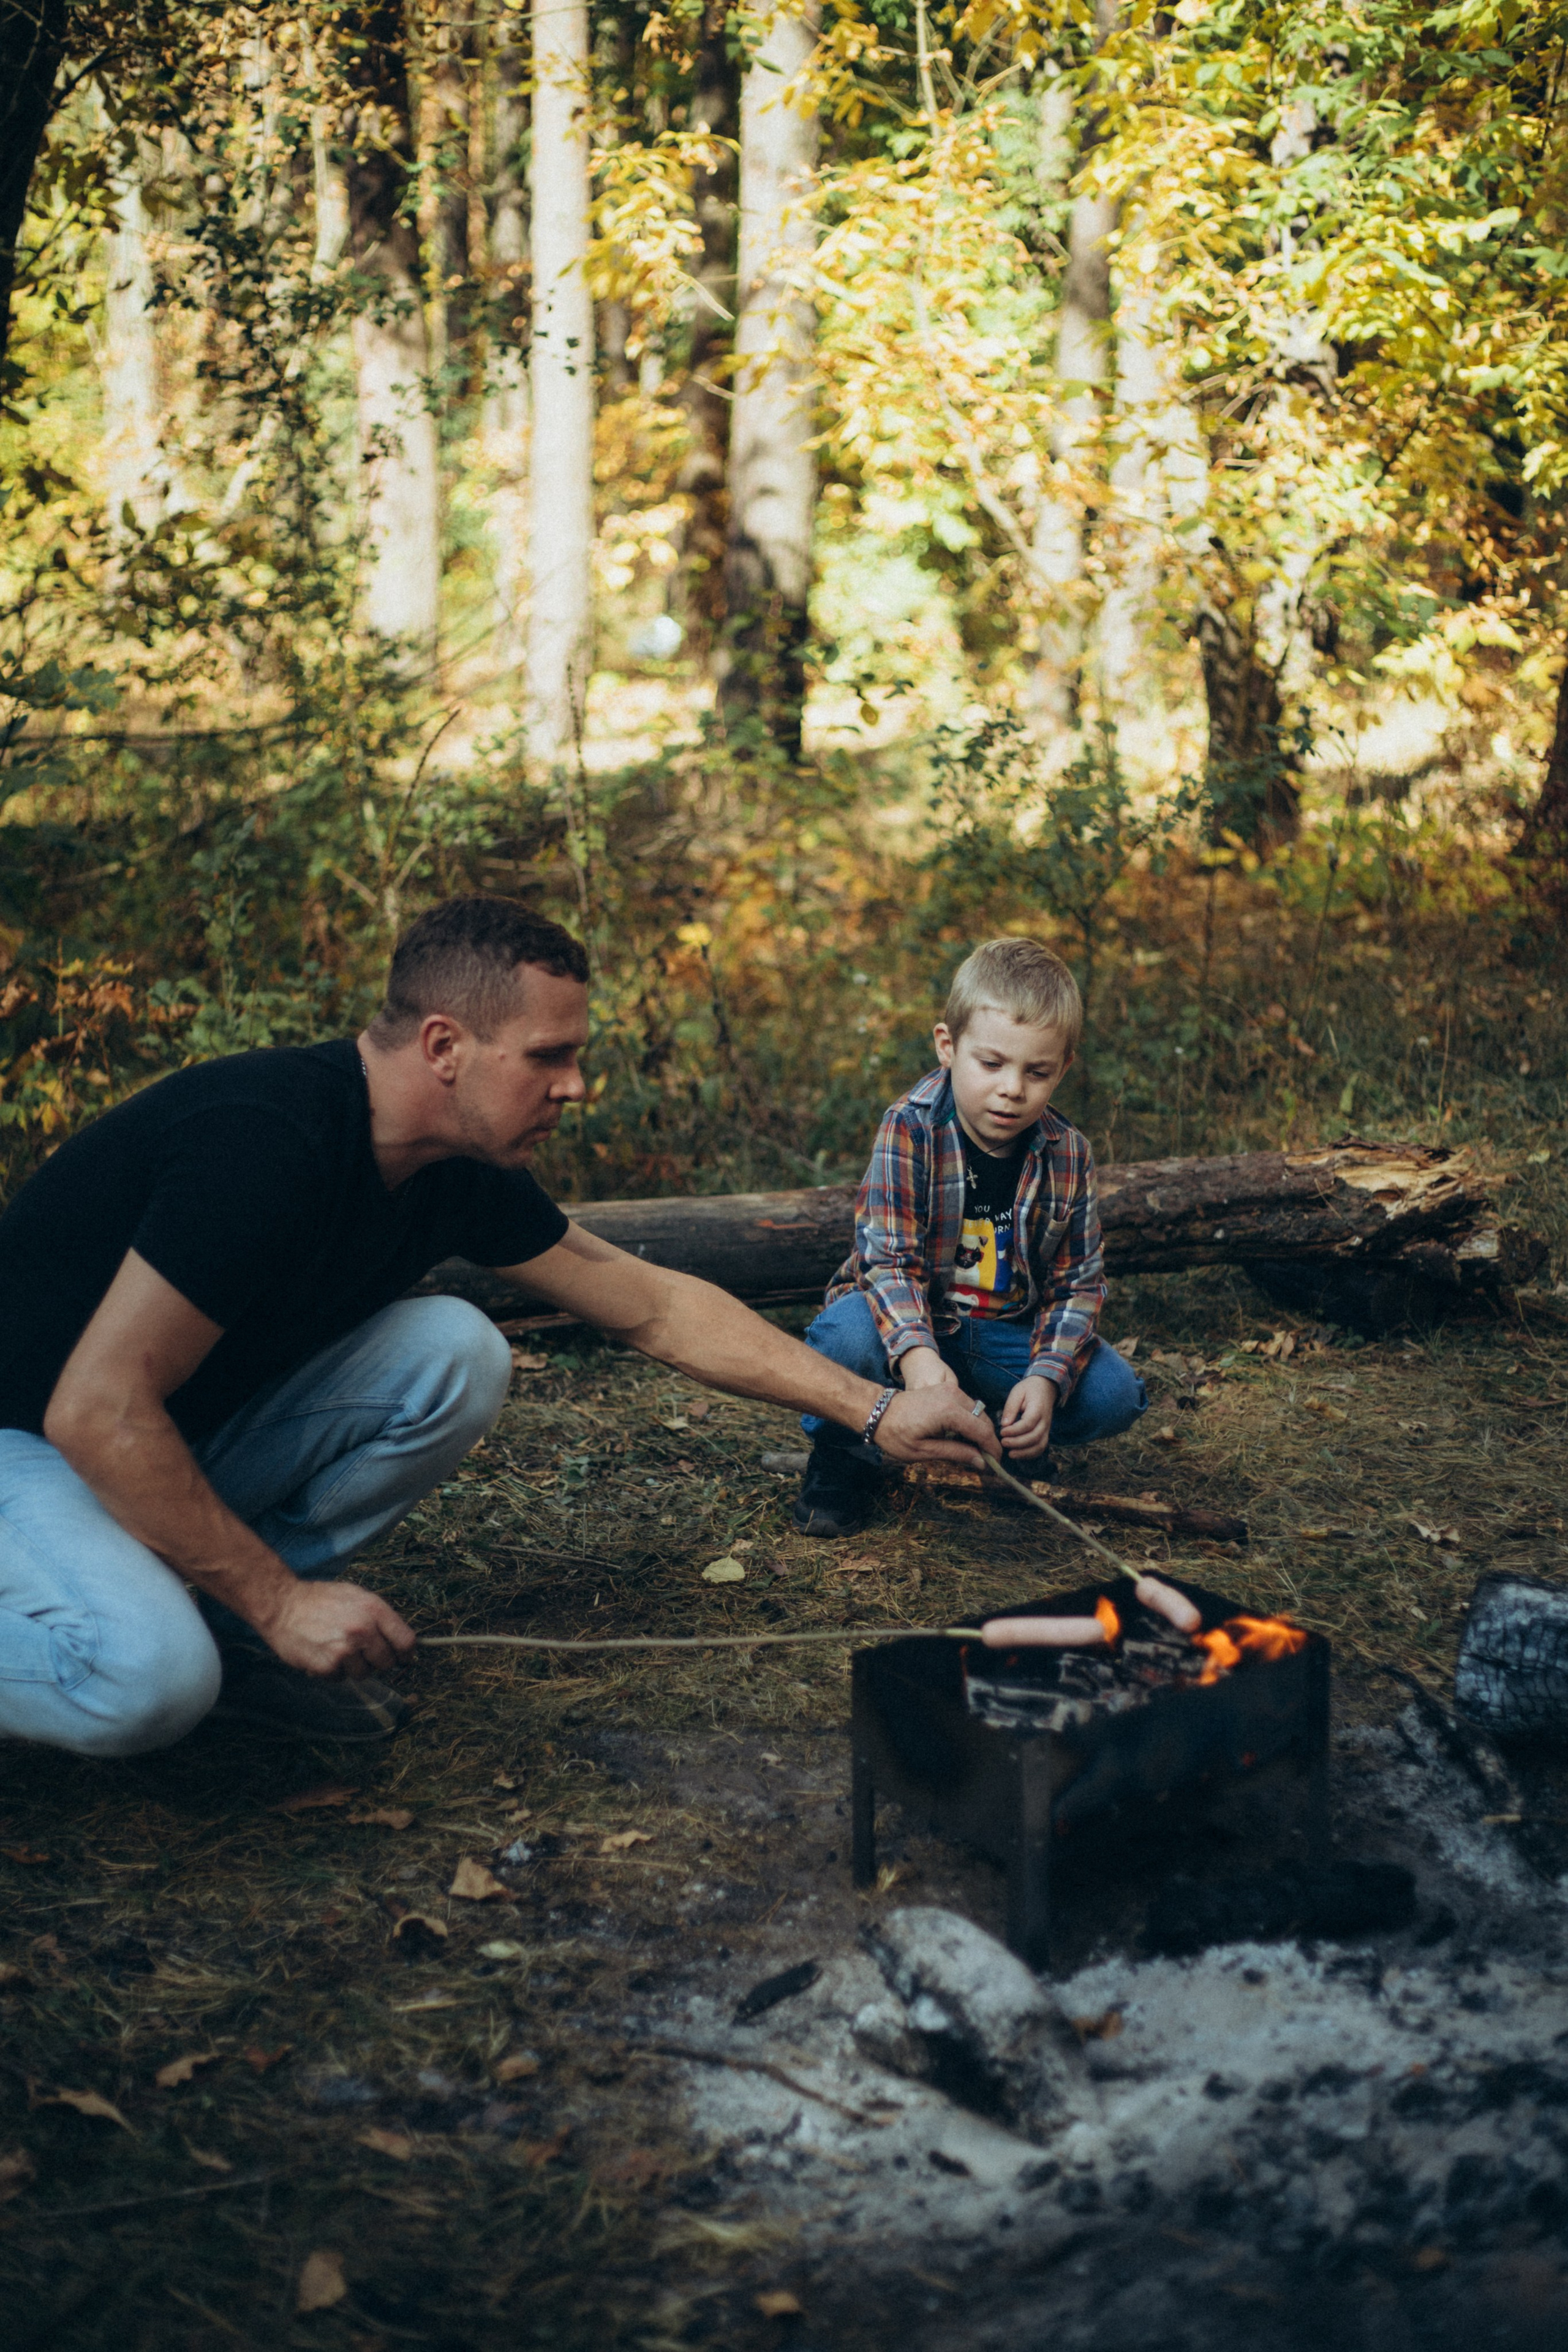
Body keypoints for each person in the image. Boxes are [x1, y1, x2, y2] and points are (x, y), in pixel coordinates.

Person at [0, 898, 1000, 1758]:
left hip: (159, 1436)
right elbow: (96, 1412)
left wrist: (879, 1412)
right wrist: (280, 1597)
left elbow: (651, 1304)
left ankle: (225, 1621)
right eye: (548, 1058)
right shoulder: (267, 1145)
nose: (574, 1086)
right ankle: (231, 1622)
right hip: (33, 1440)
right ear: (445, 1047)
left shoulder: (453, 1167)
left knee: (454, 1350)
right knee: (150, 1682)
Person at [792, 936, 1146, 1538]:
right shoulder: (910, 1129)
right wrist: (920, 1360)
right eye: (992, 1064)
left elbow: (1077, 1284)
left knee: (1114, 1392)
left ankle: (1004, 1435)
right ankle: (843, 1453)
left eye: (1037, 1072)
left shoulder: (1068, 1154)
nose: (1013, 1088)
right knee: (843, 1338)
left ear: (1063, 1068)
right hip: (910, 1329)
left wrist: (1045, 1375)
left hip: (1005, 1333)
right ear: (947, 1047)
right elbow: (888, 1260)